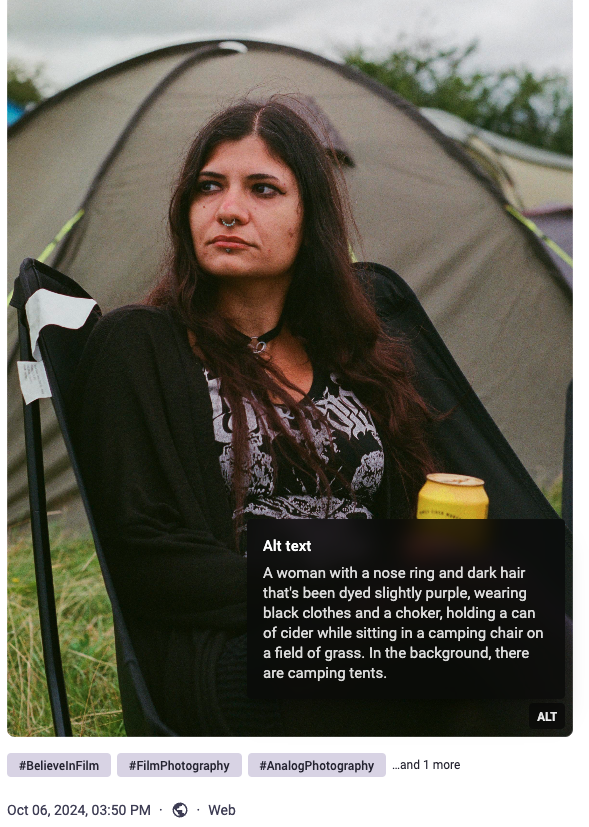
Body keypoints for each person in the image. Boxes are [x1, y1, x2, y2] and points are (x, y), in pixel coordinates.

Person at [72, 98, 437, 736]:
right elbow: (143, 557)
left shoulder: (351, 353)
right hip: (226, 651)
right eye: (208, 187)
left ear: (311, 218)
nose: (228, 209)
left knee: (539, 633)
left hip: (372, 624)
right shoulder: (141, 344)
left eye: (263, 189)